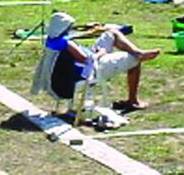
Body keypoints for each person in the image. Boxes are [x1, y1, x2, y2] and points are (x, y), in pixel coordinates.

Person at [31, 11, 159, 113]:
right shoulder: (66, 43)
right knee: (134, 60)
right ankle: (133, 100)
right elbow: (86, 60)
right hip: (92, 68)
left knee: (112, 33)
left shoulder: (52, 40)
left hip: (85, 61)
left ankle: (138, 52)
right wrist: (101, 52)